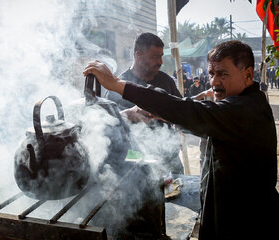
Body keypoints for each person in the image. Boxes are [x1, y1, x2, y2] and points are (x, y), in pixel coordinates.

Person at [83, 40, 279, 240]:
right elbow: (194, 117)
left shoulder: (245, 110)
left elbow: (188, 110)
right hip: (229, 214)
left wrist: (118, 85)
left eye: (223, 74)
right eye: (212, 74)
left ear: (247, 75)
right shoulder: (240, 104)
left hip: (246, 224)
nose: (214, 82)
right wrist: (162, 114)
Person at [105, 32, 184, 174]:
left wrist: (178, 129)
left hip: (170, 157)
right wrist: (128, 114)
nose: (160, 62)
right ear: (138, 55)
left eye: (161, 56)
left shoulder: (166, 81)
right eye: (155, 57)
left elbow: (180, 109)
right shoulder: (117, 87)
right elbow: (108, 125)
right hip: (138, 162)